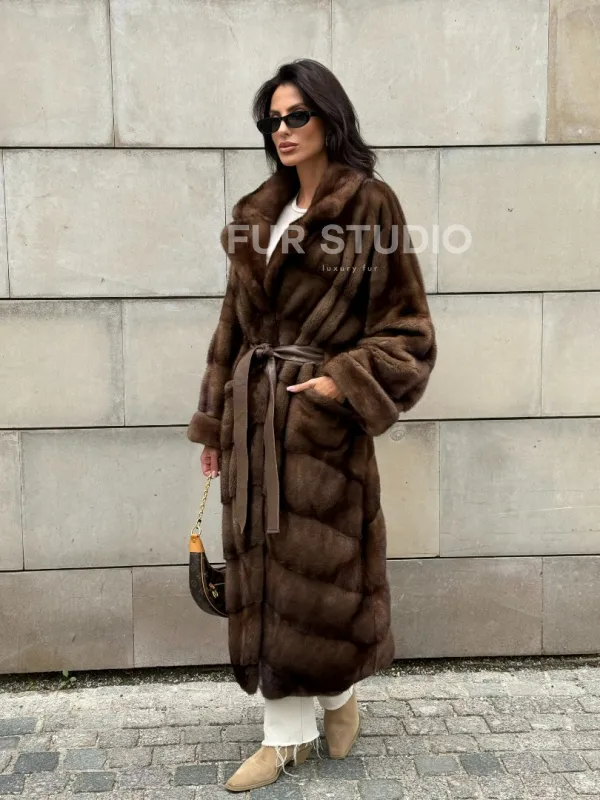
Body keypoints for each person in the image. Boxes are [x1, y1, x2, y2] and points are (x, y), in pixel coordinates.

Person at [187, 58, 438, 792]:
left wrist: (340, 383)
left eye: (297, 115)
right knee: (265, 574)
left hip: (320, 432)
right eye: (272, 119)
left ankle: (319, 708)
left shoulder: (370, 206)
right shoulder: (255, 214)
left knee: (314, 579)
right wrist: (215, 423)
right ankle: (300, 722)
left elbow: (408, 329)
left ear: (330, 118)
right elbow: (230, 328)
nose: (283, 129)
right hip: (252, 422)